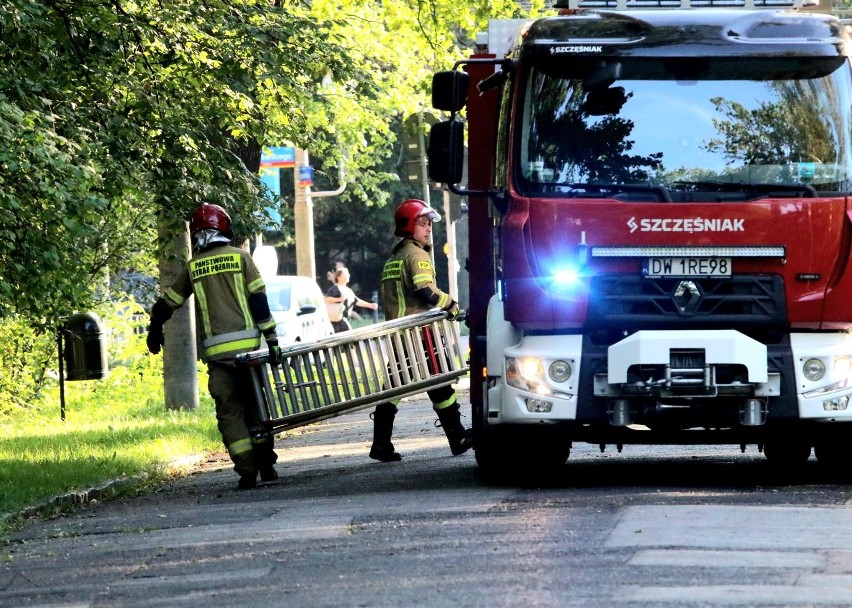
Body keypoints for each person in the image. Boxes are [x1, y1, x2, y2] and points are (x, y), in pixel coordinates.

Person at [146, 203, 282, 490]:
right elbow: (259, 302)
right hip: (250, 356)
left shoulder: (194, 267)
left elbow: (168, 302)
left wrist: (154, 329)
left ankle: (247, 472)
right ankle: (266, 464)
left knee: (229, 413)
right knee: (257, 409)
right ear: (223, 228)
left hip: (219, 360)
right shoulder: (241, 258)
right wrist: (272, 340)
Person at [368, 199, 472, 462]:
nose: (428, 229)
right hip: (420, 334)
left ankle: (381, 444)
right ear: (408, 226)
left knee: (393, 389)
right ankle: (458, 437)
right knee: (440, 384)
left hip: (400, 335)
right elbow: (425, 291)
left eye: (429, 224)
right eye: (422, 223)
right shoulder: (417, 255)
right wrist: (451, 304)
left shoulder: (395, 257)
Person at [324, 267, 378, 333]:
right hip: (337, 321)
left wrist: (370, 305)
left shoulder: (348, 290)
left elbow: (356, 301)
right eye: (346, 274)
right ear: (338, 277)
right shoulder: (335, 289)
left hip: (344, 320)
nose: (348, 275)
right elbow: (326, 299)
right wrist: (339, 299)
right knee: (350, 339)